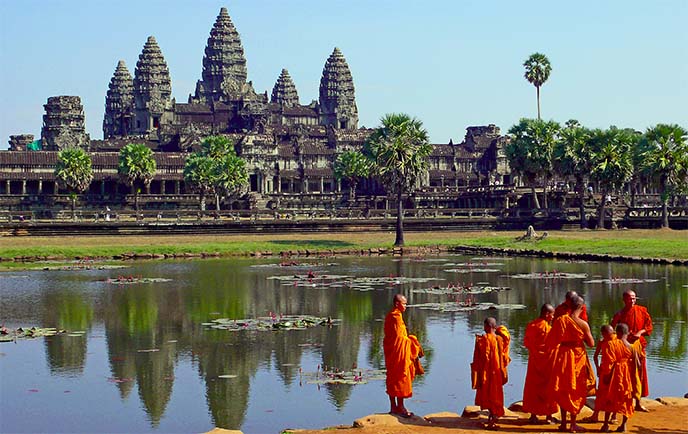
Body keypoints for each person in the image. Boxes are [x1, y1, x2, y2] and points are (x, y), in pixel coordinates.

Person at [546, 296, 595, 433]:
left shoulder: (560, 320)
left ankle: (563, 423)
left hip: (563, 356)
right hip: (577, 356)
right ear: (582, 307)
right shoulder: (583, 324)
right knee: (576, 389)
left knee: (563, 388)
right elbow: (591, 344)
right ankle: (573, 424)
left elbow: (551, 342)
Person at [611, 289, 652, 411]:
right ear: (624, 300)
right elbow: (612, 329)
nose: (633, 301)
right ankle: (622, 403)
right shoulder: (620, 314)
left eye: (634, 298)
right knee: (624, 375)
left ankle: (638, 402)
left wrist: (640, 332)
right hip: (624, 347)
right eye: (630, 298)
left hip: (638, 346)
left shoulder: (642, 311)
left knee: (639, 373)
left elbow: (649, 326)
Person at [383, 294, 423, 418]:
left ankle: (393, 406)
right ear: (397, 304)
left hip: (394, 352)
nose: (406, 306)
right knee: (400, 376)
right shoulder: (395, 317)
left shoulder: (392, 316)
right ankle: (400, 407)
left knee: (392, 377)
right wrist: (413, 341)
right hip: (397, 353)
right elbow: (400, 339)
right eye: (404, 303)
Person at [599, 323, 641, 433]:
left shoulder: (613, 344)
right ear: (627, 333)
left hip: (615, 375)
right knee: (626, 400)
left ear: (617, 333)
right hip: (627, 376)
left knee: (610, 398)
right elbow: (638, 365)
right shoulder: (632, 347)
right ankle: (623, 425)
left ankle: (605, 425)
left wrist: (607, 376)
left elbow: (610, 362)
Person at [471, 317, 511, 430]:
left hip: (485, 373)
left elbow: (478, 358)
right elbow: (504, 353)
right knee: (495, 394)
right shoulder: (499, 339)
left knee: (488, 394)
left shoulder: (482, 340)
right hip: (497, 372)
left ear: (487, 326)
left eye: (485, 326)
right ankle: (493, 417)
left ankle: (492, 419)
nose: (484, 328)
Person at [522, 303, 558, 424]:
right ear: (547, 314)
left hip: (534, 362)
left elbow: (526, 343)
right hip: (547, 363)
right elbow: (554, 345)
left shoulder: (531, 325)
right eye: (552, 314)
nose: (553, 317)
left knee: (533, 387)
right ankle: (549, 416)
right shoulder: (548, 329)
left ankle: (533, 415)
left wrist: (535, 351)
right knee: (548, 387)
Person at [587, 325, 617, 425]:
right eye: (608, 335)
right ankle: (595, 415)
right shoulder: (602, 342)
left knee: (614, 393)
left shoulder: (618, 341)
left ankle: (614, 416)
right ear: (603, 334)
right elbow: (595, 356)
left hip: (615, 371)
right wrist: (598, 368)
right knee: (600, 394)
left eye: (612, 334)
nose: (611, 336)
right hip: (604, 370)